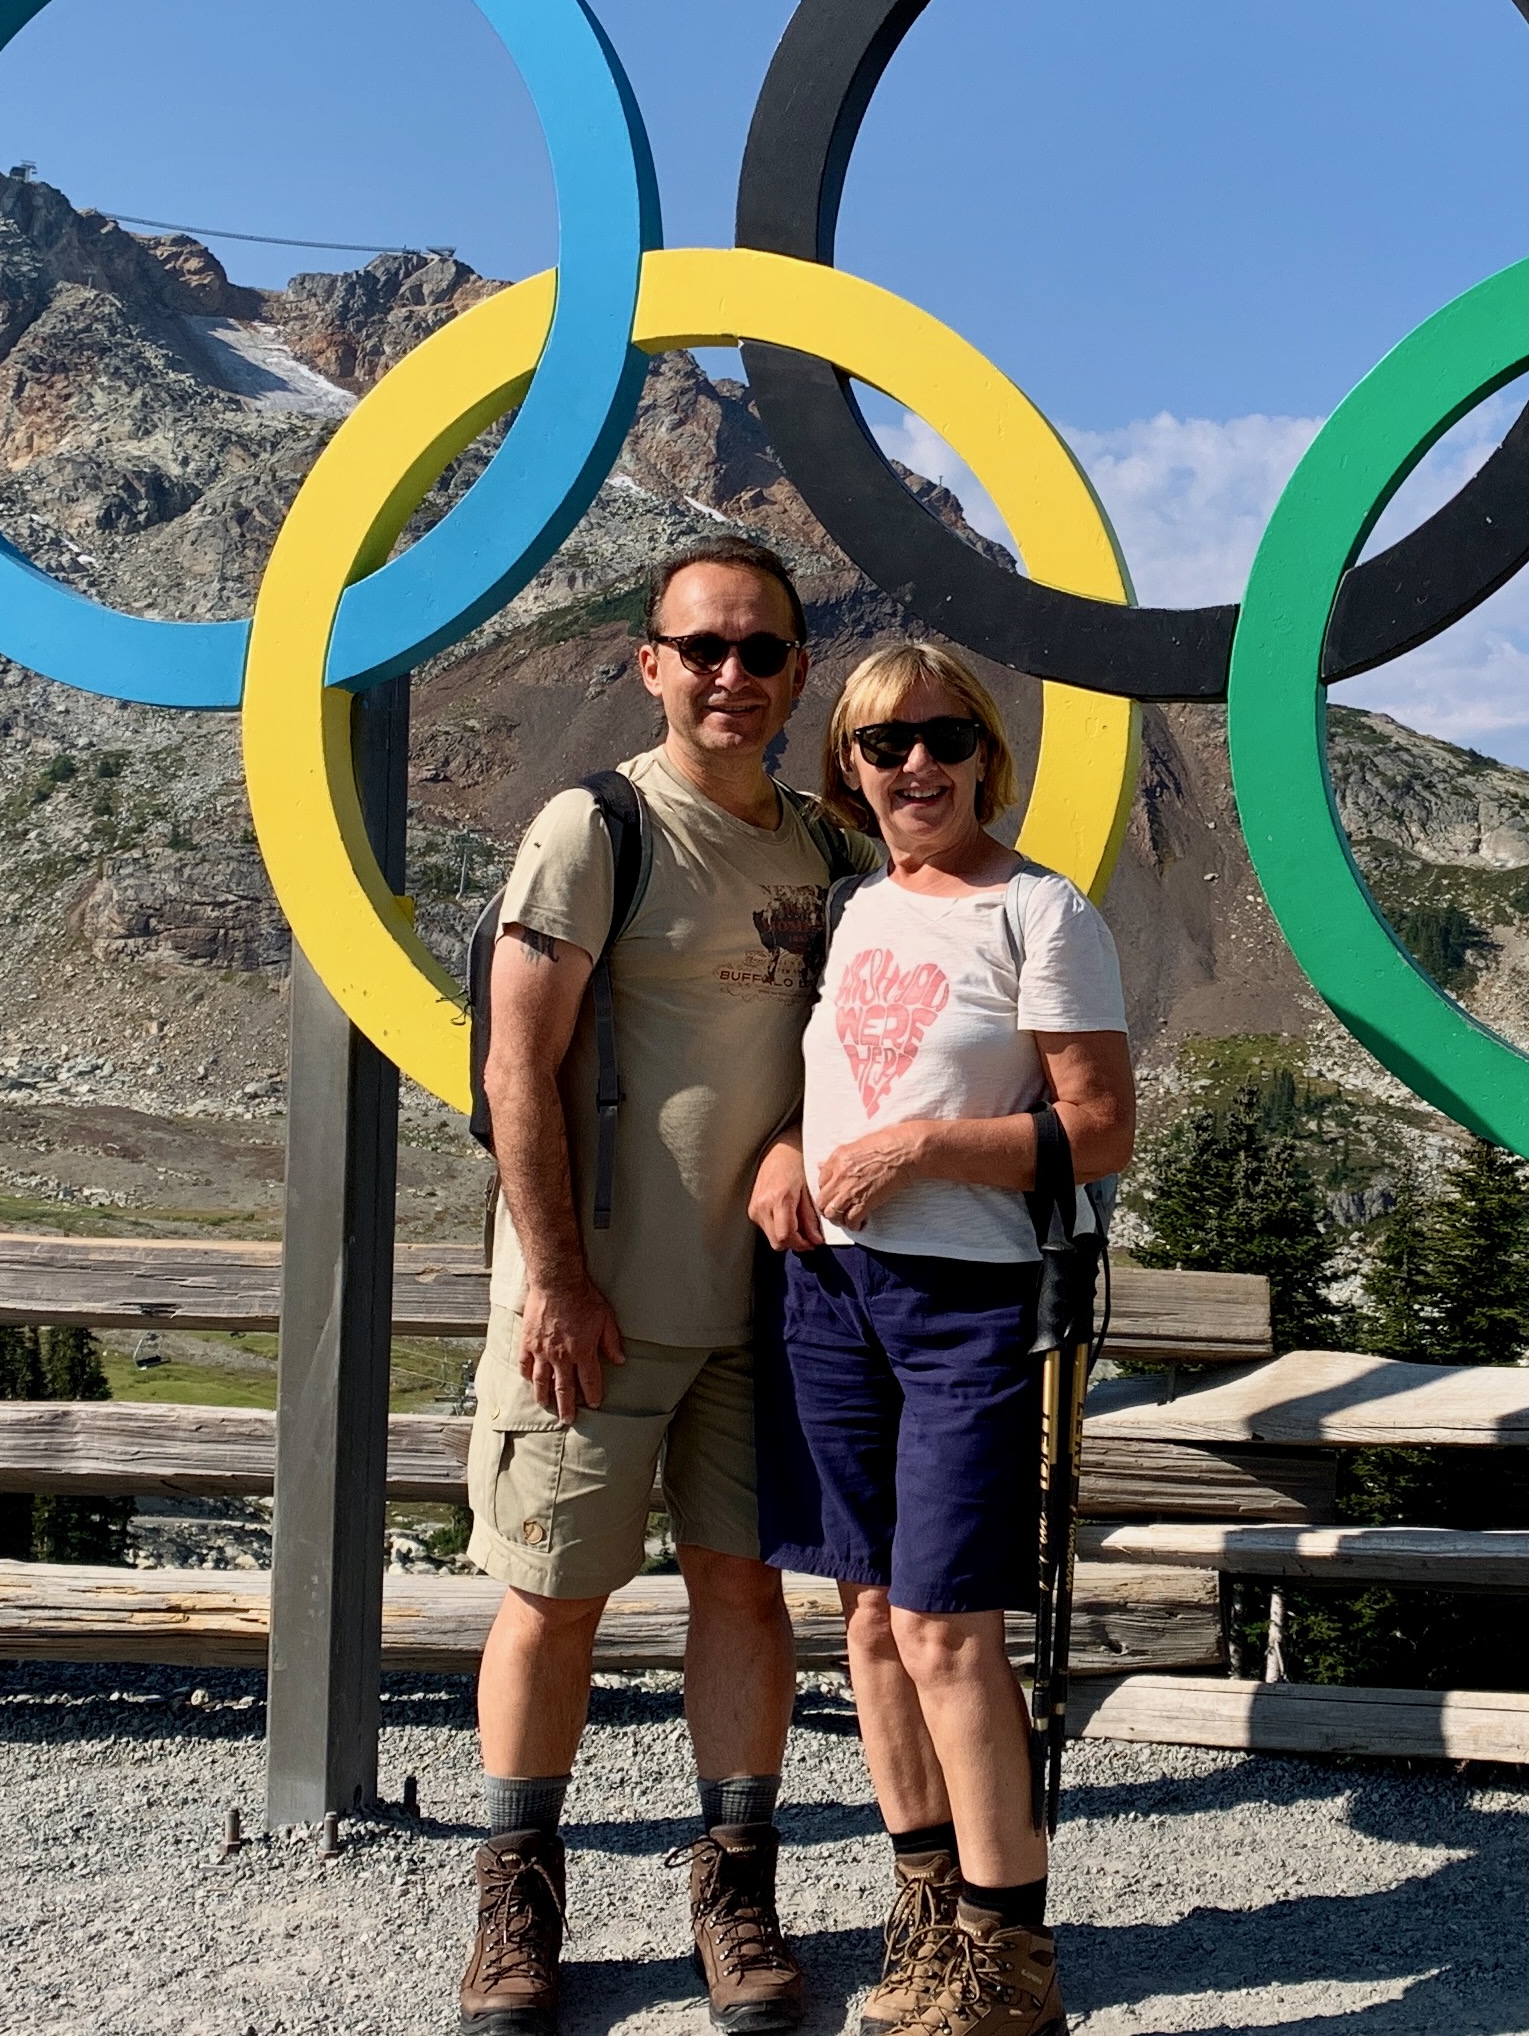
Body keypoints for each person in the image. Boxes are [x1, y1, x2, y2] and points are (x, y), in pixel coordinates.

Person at [460, 535, 867, 2036]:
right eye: (702, 648)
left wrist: (808, 1141)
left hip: (763, 1308)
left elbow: (864, 1047)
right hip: (597, 1304)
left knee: (742, 1592)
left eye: (762, 650)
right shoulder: (596, 828)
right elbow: (518, 1057)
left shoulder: (829, 850)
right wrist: (556, 1277)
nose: (732, 676)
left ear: (798, 668)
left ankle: (736, 1887)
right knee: (553, 1596)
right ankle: (517, 1900)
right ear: (649, 664)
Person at [748, 642, 1133, 2036]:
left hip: (968, 1303)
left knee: (946, 1625)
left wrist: (921, 1150)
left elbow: (1099, 1129)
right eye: (882, 744)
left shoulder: (1042, 912)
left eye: (942, 738)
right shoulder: (856, 910)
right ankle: (926, 1919)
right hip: (831, 1290)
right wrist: (792, 1149)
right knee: (864, 1612)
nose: (916, 765)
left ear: (986, 755)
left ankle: (1007, 1959)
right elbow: (840, 1084)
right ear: (848, 771)